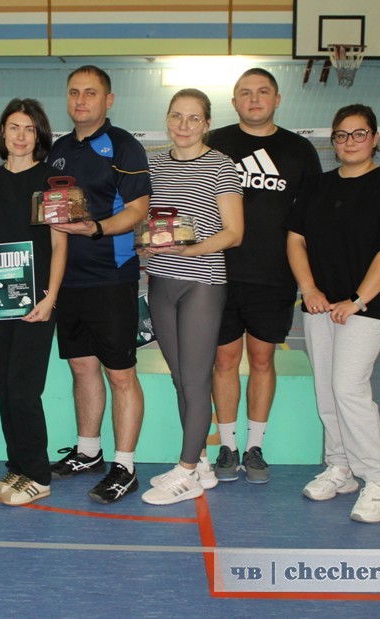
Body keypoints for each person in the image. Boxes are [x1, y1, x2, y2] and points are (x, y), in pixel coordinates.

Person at [286, 104, 380, 523]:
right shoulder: (318, 186)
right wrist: (310, 289)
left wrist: (356, 300)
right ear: (333, 141)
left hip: (364, 308)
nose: (350, 142)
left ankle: (379, 479)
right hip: (320, 306)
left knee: (348, 388)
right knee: (326, 389)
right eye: (342, 135)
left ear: (374, 138)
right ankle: (339, 467)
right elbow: (296, 240)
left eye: (359, 134)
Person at [205, 68, 322, 483]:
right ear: (234, 101)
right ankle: (227, 446)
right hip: (218, 274)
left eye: (262, 92)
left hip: (273, 277)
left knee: (261, 359)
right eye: (245, 93)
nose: (254, 99)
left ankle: (254, 448)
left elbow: (312, 218)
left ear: (277, 99)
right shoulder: (214, 143)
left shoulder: (299, 150)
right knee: (223, 360)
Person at [46, 65, 151, 504]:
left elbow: (139, 209)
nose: (81, 100)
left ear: (108, 100)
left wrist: (96, 229)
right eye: (74, 92)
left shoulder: (123, 146)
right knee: (81, 367)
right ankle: (88, 452)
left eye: (90, 93)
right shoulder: (58, 149)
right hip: (67, 281)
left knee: (120, 373)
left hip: (112, 277)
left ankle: (125, 467)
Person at [139, 89, 243, 506]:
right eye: (176, 116)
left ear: (207, 124)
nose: (183, 126)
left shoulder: (221, 166)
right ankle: (199, 464)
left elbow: (234, 232)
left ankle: (185, 473)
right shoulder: (153, 165)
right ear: (167, 119)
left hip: (201, 281)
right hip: (160, 282)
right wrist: (144, 243)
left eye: (193, 118)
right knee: (180, 378)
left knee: (197, 379)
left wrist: (192, 250)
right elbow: (146, 220)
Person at [0, 99, 67, 507]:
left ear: (39, 135)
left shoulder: (52, 182)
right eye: (14, 127)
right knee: (6, 390)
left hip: (35, 303)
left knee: (25, 391)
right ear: (2, 132)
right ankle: (18, 466)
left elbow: (60, 245)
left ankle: (38, 475)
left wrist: (51, 297)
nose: (21, 136)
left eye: (29, 128)